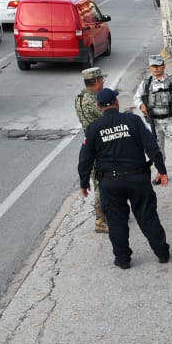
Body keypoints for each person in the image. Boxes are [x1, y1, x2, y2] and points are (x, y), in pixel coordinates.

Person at [77, 88, 172, 269]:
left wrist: (84, 183)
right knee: (147, 216)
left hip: (110, 183)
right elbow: (152, 146)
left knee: (116, 221)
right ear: (116, 103)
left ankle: (123, 260)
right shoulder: (133, 120)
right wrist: (162, 170)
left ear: (98, 107)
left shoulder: (93, 129)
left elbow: (85, 159)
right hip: (137, 178)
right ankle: (162, 253)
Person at [132, 54, 172, 186]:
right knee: (158, 150)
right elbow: (136, 97)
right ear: (150, 67)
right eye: (153, 66)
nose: (156, 69)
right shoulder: (146, 83)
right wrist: (141, 105)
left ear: (164, 66)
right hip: (155, 123)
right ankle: (161, 173)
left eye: (158, 66)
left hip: (170, 120)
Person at [74, 67, 108, 234]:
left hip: (91, 140)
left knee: (99, 180)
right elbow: (108, 117)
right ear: (95, 82)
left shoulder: (79, 97)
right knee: (100, 182)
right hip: (100, 144)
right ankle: (100, 220)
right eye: (101, 79)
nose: (103, 82)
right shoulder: (92, 101)